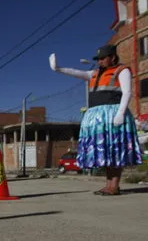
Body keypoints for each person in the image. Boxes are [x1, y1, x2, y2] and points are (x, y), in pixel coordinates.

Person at [49, 45, 142, 195]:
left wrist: (120, 113)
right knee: (105, 152)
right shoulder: (94, 73)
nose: (100, 61)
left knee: (114, 151)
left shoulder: (122, 70)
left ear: (112, 57)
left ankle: (114, 186)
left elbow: (127, 92)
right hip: (96, 117)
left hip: (113, 114)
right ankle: (109, 185)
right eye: (98, 59)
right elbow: (78, 73)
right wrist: (58, 68)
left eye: (103, 58)